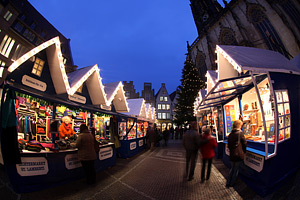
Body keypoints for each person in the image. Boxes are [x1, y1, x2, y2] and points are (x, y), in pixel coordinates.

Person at [226, 120, 247, 188]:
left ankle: (228, 182)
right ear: (239, 126)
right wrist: (244, 151)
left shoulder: (230, 134)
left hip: (232, 154)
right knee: (236, 169)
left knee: (232, 168)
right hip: (238, 154)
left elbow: (228, 145)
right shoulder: (240, 133)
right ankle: (232, 183)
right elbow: (244, 143)